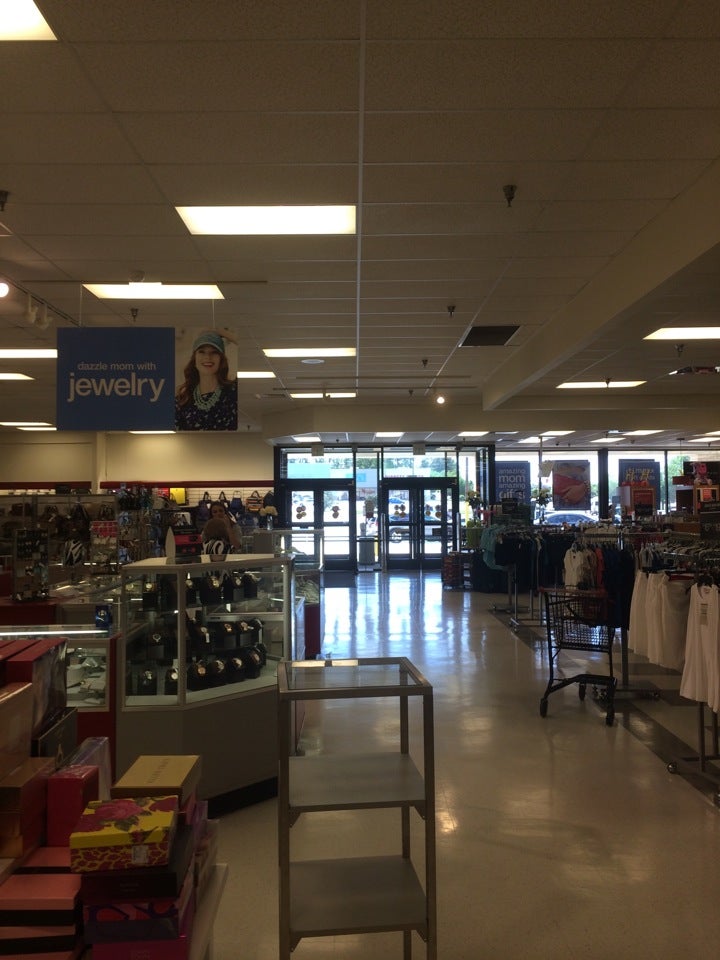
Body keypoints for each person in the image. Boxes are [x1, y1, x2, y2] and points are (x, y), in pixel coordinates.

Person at [175, 330, 238, 431]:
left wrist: (219, 330)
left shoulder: (234, 391)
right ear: (194, 359)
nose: (207, 357)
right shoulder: (183, 400)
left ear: (221, 359)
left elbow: (249, 345)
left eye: (214, 352)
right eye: (202, 352)